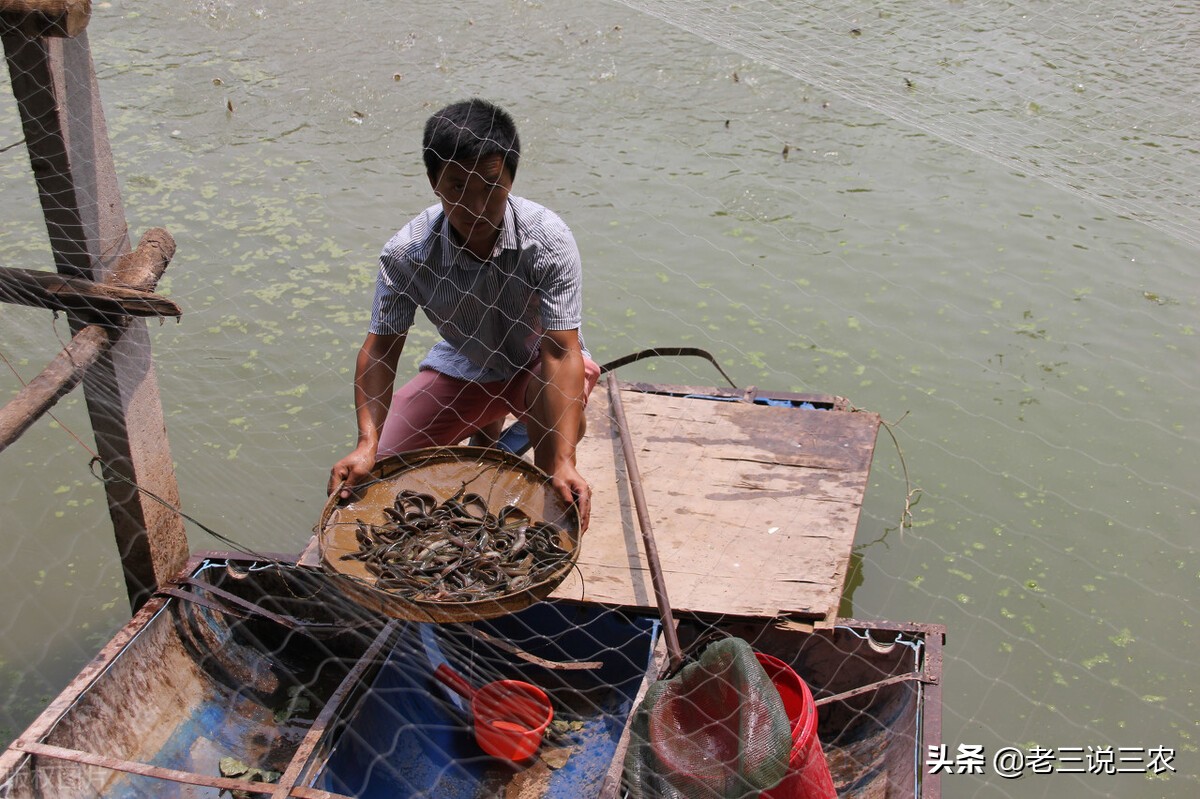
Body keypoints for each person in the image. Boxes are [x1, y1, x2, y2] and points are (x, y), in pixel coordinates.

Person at [328, 98, 600, 530]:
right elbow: (381, 351)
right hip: (467, 360)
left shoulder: (548, 239)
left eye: (490, 188)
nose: (475, 207)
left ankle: (537, 455)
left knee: (552, 478)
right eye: (457, 188)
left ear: (511, 178)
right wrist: (366, 443)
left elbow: (560, 350)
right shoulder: (406, 254)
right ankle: (488, 423)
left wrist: (565, 462)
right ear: (434, 183)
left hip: (537, 363)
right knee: (383, 468)